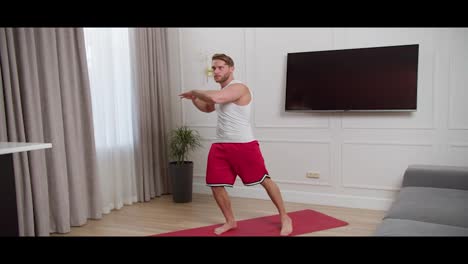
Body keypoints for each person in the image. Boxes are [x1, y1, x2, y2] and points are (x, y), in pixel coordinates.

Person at [178, 53, 293, 236]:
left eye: (220, 67)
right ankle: (230, 221)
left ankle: (285, 217)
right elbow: (208, 107)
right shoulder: (220, 93)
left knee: (264, 180)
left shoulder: (238, 87)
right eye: (213, 68)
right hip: (221, 145)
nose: (216, 71)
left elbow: (216, 99)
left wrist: (195, 91)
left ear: (231, 68)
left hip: (243, 145)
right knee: (216, 184)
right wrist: (194, 100)